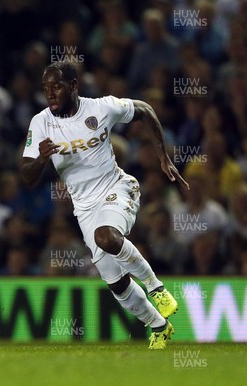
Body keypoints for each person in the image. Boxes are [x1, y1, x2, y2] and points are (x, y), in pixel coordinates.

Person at [21, 61, 189, 349]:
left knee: (107, 237)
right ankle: (159, 325)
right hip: (84, 208)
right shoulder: (40, 123)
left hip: (117, 188)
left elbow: (145, 110)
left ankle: (156, 288)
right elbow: (27, 176)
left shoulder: (102, 108)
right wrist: (41, 159)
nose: (50, 94)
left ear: (74, 86)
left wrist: (163, 156)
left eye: (57, 87)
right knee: (117, 283)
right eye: (46, 89)